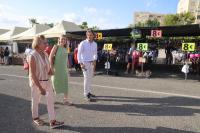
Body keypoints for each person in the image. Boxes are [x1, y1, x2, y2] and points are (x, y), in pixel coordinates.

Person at [29, 35, 64, 129]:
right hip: (37, 83)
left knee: (50, 101)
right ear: (38, 44)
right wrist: (40, 88)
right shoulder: (32, 56)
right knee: (36, 101)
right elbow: (33, 75)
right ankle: (35, 117)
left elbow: (48, 70)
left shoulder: (45, 54)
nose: (46, 44)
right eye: (44, 43)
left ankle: (52, 121)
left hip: (47, 81)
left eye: (46, 43)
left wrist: (54, 72)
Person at [49, 35, 73, 105]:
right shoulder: (56, 47)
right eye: (62, 39)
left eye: (64, 39)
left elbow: (66, 58)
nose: (63, 41)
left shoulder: (66, 48)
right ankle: (51, 99)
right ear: (59, 40)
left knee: (65, 84)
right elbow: (50, 57)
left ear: (66, 41)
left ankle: (65, 100)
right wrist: (51, 67)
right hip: (56, 69)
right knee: (54, 84)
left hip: (64, 69)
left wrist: (68, 68)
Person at [77, 29, 97, 101]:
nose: (89, 36)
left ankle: (89, 92)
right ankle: (86, 94)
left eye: (91, 35)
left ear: (93, 35)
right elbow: (78, 54)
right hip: (84, 63)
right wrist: (81, 63)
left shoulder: (95, 44)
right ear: (86, 35)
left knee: (90, 78)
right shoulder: (83, 43)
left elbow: (95, 53)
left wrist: (94, 60)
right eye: (88, 35)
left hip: (91, 63)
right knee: (86, 78)